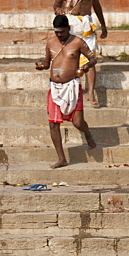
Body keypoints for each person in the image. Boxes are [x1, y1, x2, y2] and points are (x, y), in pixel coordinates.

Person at [36, 14, 98, 168]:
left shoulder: (77, 42)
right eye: (56, 32)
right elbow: (47, 60)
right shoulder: (50, 42)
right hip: (55, 87)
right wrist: (43, 65)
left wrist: (86, 66)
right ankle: (61, 158)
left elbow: (93, 59)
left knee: (77, 122)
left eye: (62, 32)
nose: (59, 35)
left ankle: (87, 132)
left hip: (72, 86)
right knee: (53, 124)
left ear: (68, 29)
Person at [53, 0, 108, 106]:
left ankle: (91, 94)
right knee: (70, 58)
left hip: (86, 25)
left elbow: (96, 6)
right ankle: (69, 91)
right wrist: (58, 9)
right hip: (71, 23)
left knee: (90, 60)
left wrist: (103, 25)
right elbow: (57, 3)